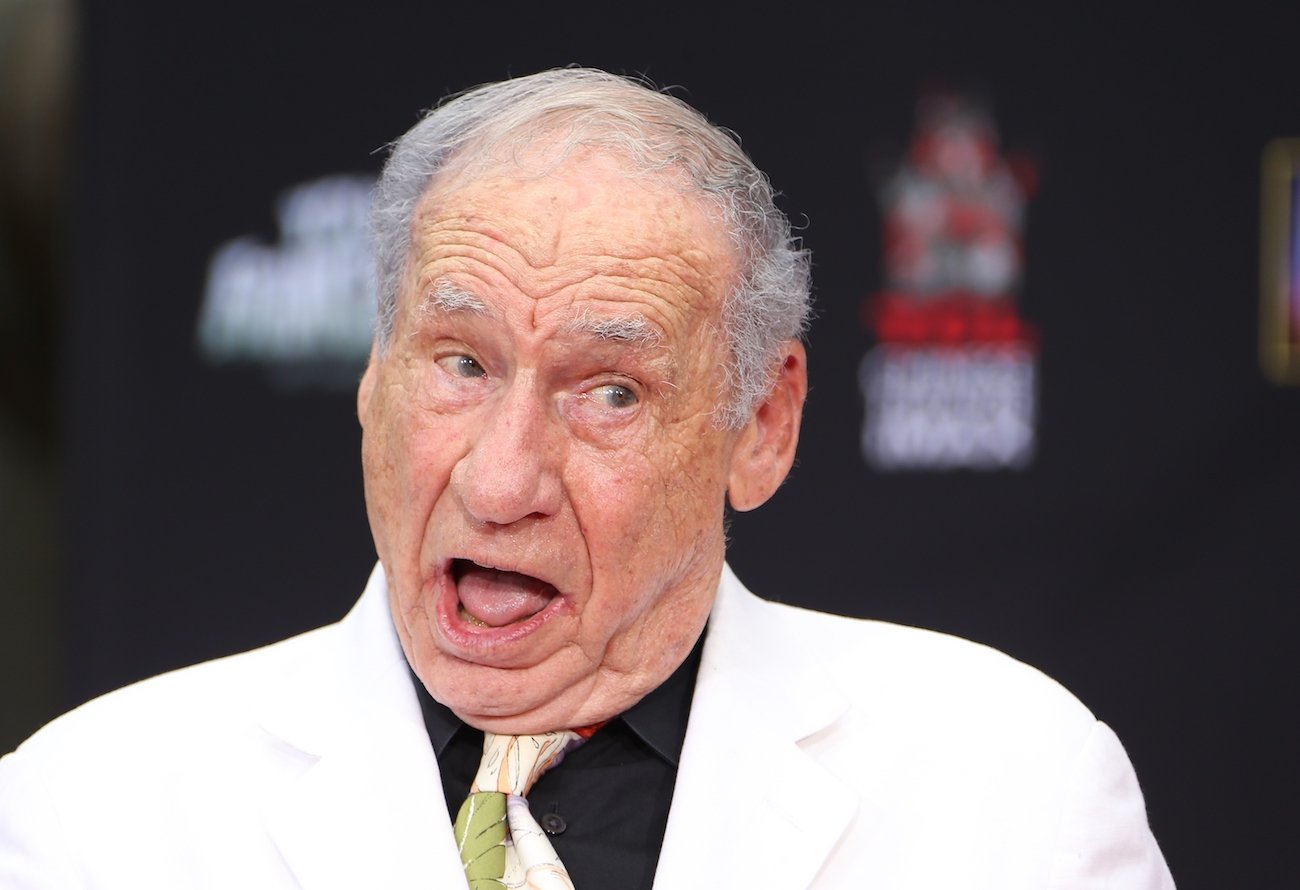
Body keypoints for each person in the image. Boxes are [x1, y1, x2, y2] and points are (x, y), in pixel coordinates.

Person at [0, 67, 1174, 889]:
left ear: (761, 423)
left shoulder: (1013, 785)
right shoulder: (87, 813)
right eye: (459, 362)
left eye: (606, 389)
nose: (503, 478)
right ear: (373, 377)